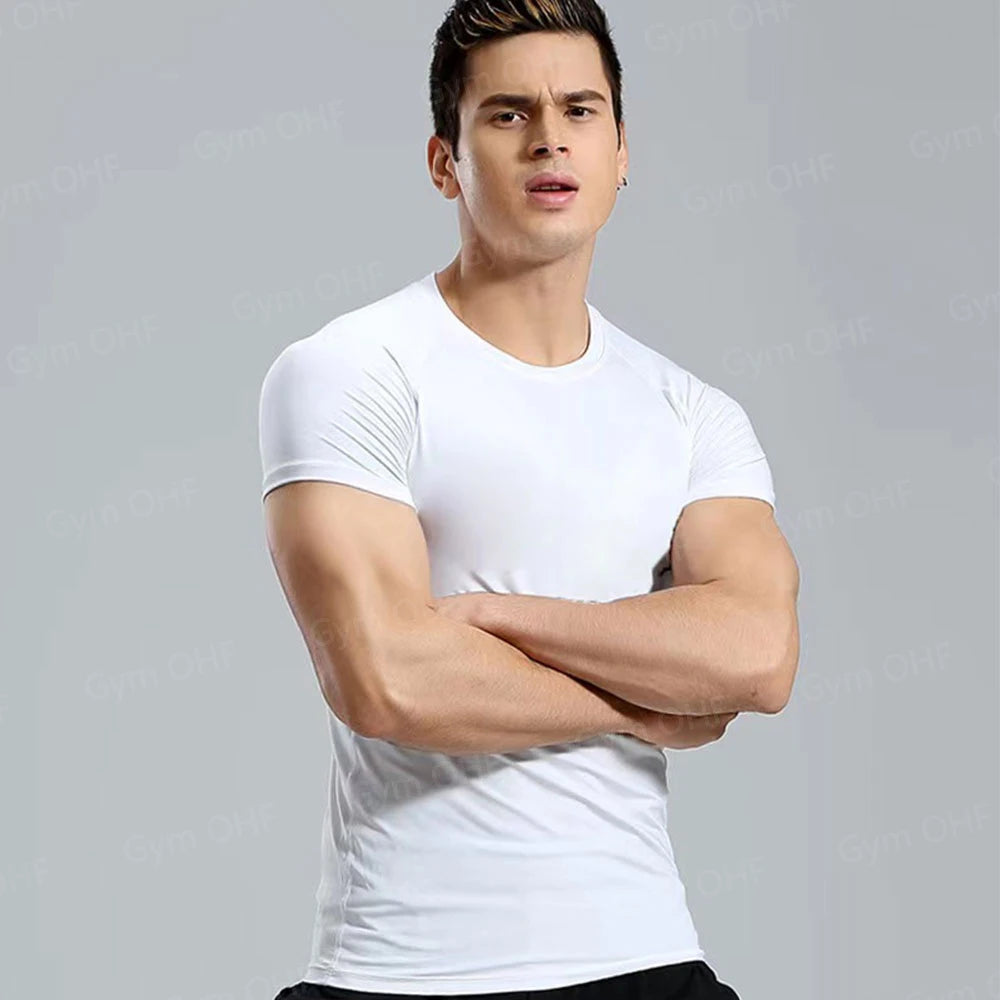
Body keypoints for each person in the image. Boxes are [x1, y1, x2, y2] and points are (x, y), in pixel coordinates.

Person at [258, 2, 800, 998]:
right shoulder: (351, 371)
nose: (550, 136)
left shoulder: (692, 414)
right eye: (507, 114)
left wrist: (495, 617)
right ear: (445, 162)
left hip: (648, 961)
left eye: (580, 110)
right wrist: (651, 704)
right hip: (407, 974)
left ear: (622, 153)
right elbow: (389, 680)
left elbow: (757, 655)